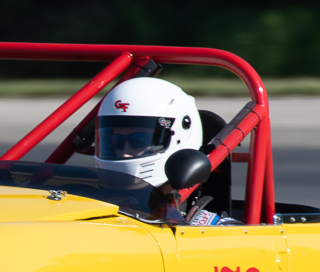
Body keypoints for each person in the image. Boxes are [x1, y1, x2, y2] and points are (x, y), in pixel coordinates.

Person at [91, 75, 234, 224]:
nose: (125, 153)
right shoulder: (93, 205)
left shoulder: (208, 225)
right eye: (117, 141)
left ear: (180, 136)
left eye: (138, 140)